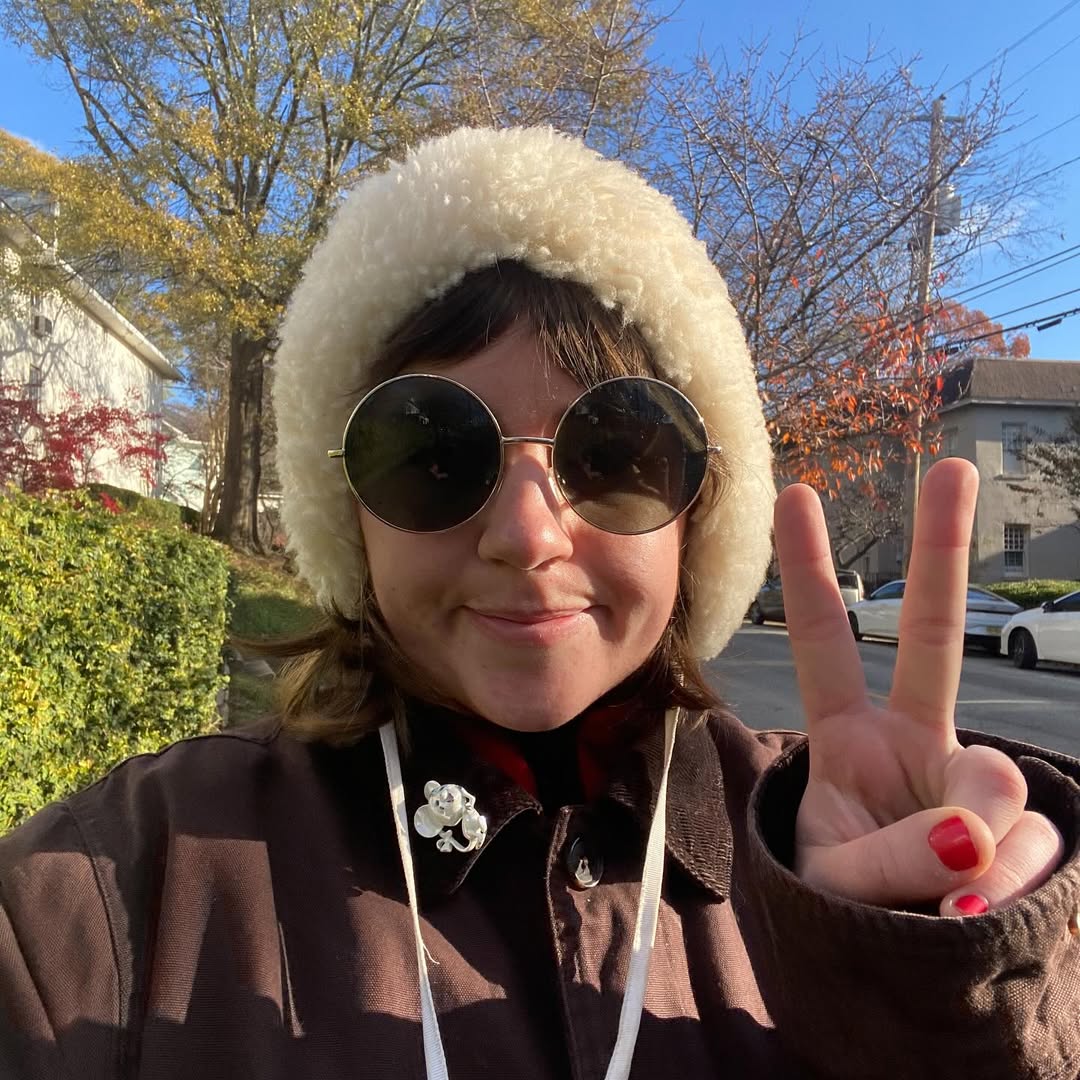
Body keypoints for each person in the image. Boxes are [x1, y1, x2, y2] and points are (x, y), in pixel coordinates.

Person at [0, 126, 1077, 1080]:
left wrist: (925, 980)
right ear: (347, 509)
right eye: (433, 450)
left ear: (699, 515)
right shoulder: (109, 894)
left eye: (612, 452)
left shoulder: (831, 843)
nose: (527, 532)